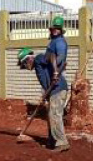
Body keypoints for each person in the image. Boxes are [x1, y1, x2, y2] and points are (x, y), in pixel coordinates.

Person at [16, 16, 69, 151]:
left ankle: (62, 142)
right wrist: (44, 94)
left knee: (54, 114)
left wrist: (56, 72)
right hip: (52, 90)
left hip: (58, 87)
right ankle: (52, 141)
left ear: (28, 60)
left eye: (24, 64)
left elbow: (52, 56)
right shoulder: (41, 62)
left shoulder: (39, 58)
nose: (25, 67)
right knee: (51, 115)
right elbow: (46, 78)